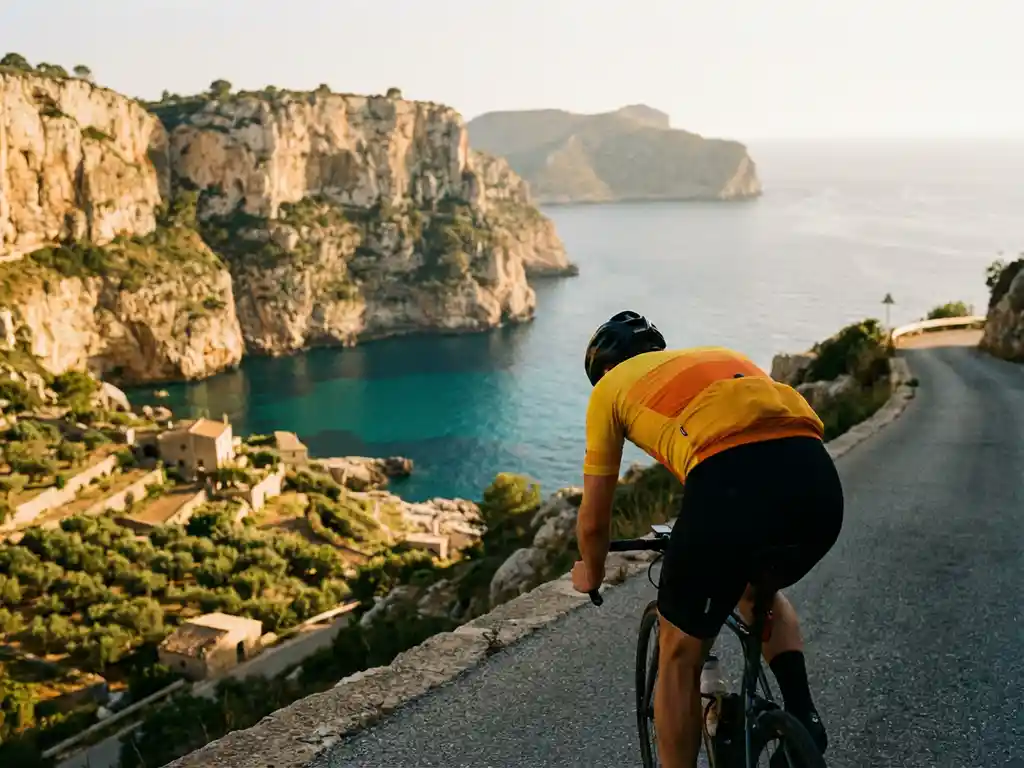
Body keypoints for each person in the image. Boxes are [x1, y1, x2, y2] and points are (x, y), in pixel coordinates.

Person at [570, 310, 844, 768]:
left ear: (602, 371)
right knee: (760, 593)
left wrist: (590, 571)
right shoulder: (722, 355)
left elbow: (595, 519)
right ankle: (803, 714)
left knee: (678, 655)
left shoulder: (608, 391)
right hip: (818, 482)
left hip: (728, 486)